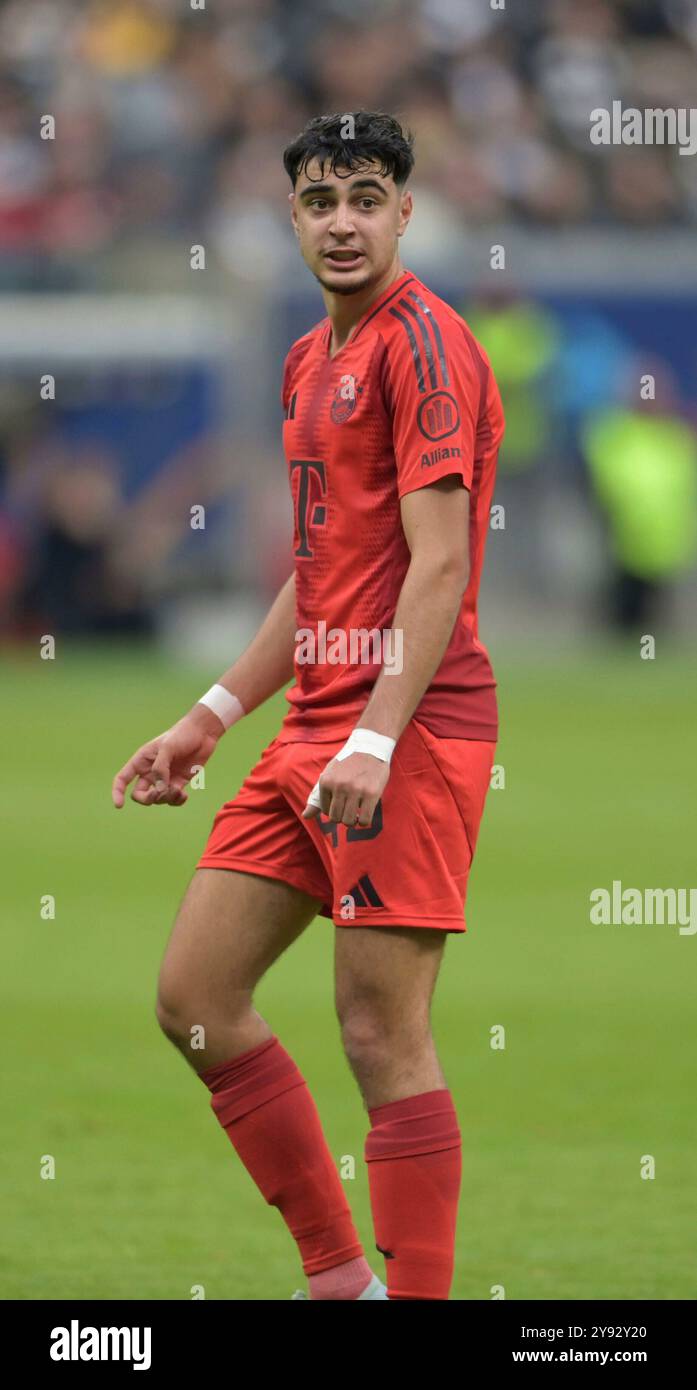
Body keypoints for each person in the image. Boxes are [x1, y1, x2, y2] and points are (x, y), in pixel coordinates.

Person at [112, 111, 504, 1301]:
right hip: (311, 730)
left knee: (380, 1036)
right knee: (194, 1000)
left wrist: (380, 737)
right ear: (291, 217)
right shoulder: (305, 358)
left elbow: (437, 568)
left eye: (366, 198)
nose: (343, 222)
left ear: (404, 213)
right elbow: (320, 573)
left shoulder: (424, 348)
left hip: (410, 729)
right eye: (321, 200)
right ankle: (338, 1277)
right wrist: (213, 711)